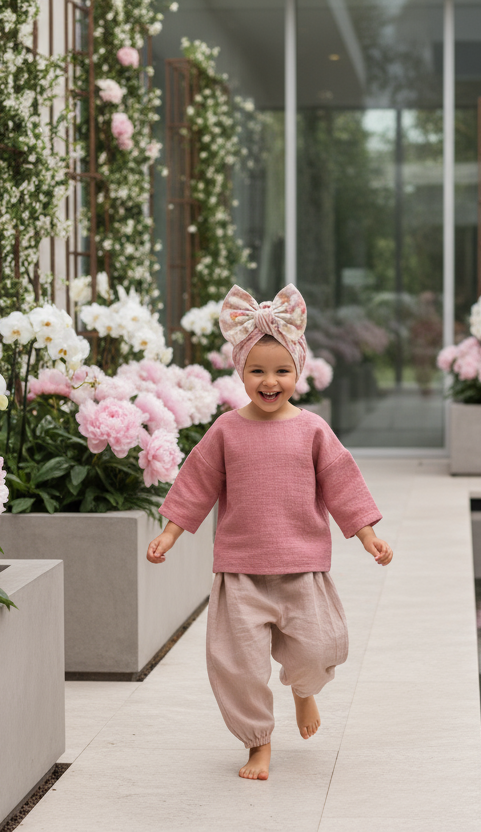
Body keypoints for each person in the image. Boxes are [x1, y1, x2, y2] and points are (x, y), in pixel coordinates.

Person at [146, 284, 394, 781]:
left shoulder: (312, 430)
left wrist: (367, 534)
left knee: (323, 647)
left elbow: (342, 483)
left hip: (302, 567)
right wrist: (171, 532)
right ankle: (258, 743)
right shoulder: (226, 430)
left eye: (282, 370)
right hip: (240, 571)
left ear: (298, 371)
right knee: (236, 666)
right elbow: (196, 482)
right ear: (240, 371)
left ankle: (304, 690)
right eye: (257, 370)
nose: (269, 381)